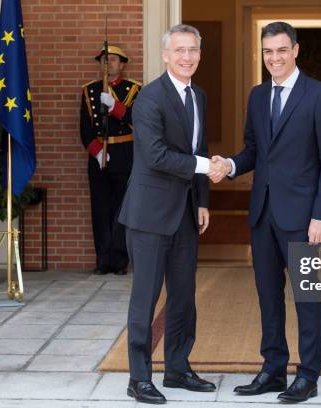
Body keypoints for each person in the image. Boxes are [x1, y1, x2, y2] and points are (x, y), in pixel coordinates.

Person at [211, 21, 321, 403]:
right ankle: (272, 369)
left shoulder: (319, 96)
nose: (275, 58)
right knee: (268, 296)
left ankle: (308, 375)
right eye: (268, 52)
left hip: (302, 217)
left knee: (306, 297)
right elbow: (254, 151)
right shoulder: (256, 96)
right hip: (263, 214)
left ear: (296, 50)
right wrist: (231, 166)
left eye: (281, 50)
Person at [117, 24, 227, 404]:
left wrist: (202, 200)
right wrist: (204, 167)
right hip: (148, 215)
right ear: (165, 55)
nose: (187, 56)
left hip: (184, 214)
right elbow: (156, 155)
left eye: (193, 49)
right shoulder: (149, 98)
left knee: (183, 297)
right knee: (145, 298)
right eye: (179, 50)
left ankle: (178, 368)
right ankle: (139, 378)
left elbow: (201, 145)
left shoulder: (199, 95)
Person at [80, 45, 141, 275]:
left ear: (122, 64)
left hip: (125, 153)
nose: (109, 63)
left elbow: (138, 121)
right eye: (105, 60)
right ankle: (103, 259)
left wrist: (115, 107)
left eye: (114, 59)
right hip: (99, 157)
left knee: (122, 208)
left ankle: (119, 260)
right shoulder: (90, 91)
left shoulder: (134, 89)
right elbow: (85, 128)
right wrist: (96, 151)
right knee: (100, 208)